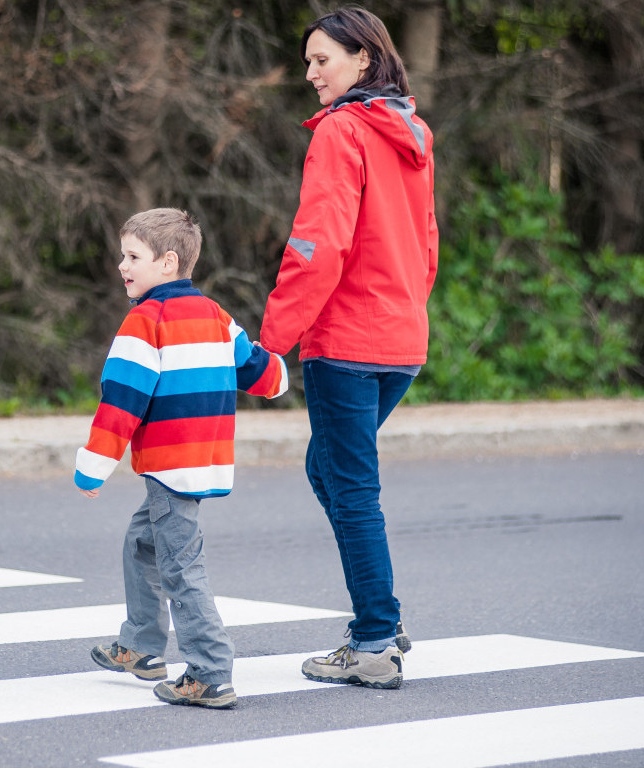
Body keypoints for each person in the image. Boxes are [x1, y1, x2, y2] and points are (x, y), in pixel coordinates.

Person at [259, 6, 438, 690]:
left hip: (347, 341)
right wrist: (408, 316)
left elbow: (316, 246)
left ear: (364, 59)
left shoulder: (342, 132)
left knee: (351, 487)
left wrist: (273, 344)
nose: (310, 74)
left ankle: (374, 638)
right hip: (400, 339)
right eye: (307, 62)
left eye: (321, 60)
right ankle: (378, 622)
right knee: (329, 471)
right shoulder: (412, 132)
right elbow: (426, 245)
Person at [75, 207, 289, 709]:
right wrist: (280, 373)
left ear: (168, 262)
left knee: (181, 567)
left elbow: (120, 401)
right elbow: (258, 371)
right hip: (202, 459)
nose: (121, 265)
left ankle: (210, 673)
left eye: (132, 256)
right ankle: (141, 646)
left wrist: (93, 466)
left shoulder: (144, 321)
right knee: (141, 542)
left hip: (170, 467)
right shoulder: (216, 316)